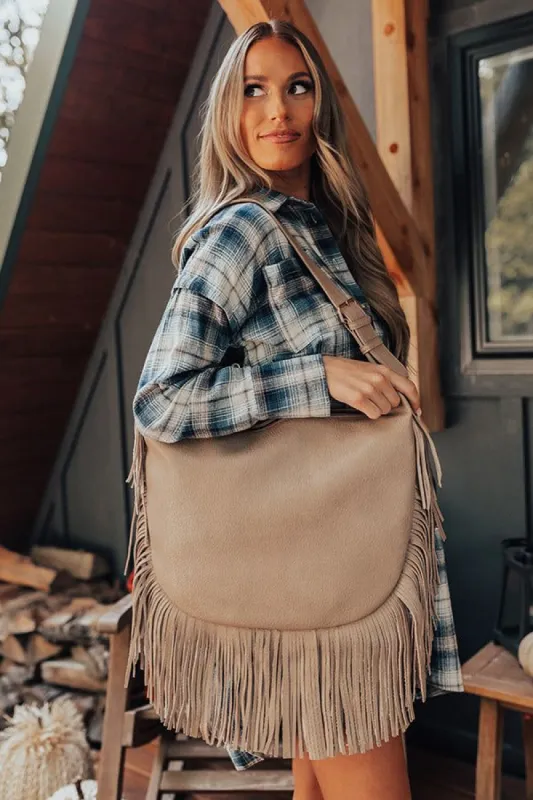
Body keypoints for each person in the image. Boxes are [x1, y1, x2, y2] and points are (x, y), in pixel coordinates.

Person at [132, 19, 463, 800]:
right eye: (253, 90)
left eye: (296, 86)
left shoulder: (322, 232)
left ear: (320, 105)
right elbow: (160, 398)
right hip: (317, 569)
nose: (276, 110)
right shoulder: (242, 231)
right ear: (227, 112)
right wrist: (318, 379)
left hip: (337, 558)